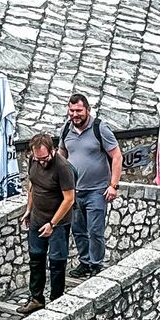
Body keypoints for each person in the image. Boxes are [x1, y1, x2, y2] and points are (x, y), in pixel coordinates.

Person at [58, 92, 122, 280]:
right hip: (74, 191)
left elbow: (117, 156)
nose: (75, 114)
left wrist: (114, 185)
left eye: (78, 110)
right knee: (78, 229)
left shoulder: (100, 129)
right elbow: (62, 156)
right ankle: (84, 262)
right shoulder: (66, 129)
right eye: (71, 111)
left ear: (87, 109)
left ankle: (96, 263)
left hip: (97, 190)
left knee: (95, 230)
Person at [20, 132, 76, 313]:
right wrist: (29, 209)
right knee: (36, 258)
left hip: (58, 222)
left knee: (57, 261)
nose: (41, 162)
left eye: (44, 158)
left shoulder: (63, 167)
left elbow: (69, 199)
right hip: (37, 217)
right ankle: (36, 298)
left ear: (52, 151)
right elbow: (32, 185)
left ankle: (56, 300)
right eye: (38, 159)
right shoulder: (33, 160)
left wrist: (52, 224)